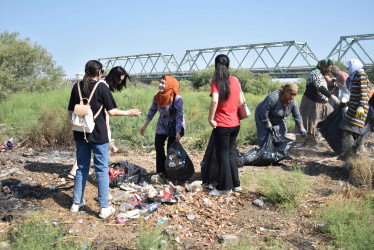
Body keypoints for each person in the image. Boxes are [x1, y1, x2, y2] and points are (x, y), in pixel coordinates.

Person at [68, 60, 141, 219]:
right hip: (98, 133)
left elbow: (70, 112)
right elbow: (112, 111)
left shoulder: (77, 87)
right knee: (101, 168)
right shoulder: (102, 87)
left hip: (81, 133)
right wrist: (128, 112)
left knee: (81, 167)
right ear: (99, 72)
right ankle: (103, 207)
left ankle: (75, 203)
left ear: (86, 71)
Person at [68, 66, 130, 180]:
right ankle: (75, 172)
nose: (120, 82)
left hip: (86, 122)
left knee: (84, 149)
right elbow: (107, 112)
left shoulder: (98, 84)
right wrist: (107, 130)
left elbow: (70, 111)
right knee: (97, 159)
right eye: (119, 80)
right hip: (95, 124)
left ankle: (74, 172)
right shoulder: (102, 85)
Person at [207, 54, 243, 196]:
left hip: (222, 124)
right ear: (228, 66)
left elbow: (214, 100)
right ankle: (236, 185)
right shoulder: (235, 80)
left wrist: (211, 118)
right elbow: (240, 101)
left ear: (216, 66)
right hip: (235, 124)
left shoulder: (216, 82)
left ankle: (224, 187)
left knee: (222, 155)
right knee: (231, 153)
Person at [140, 75, 185, 177]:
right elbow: (152, 111)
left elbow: (179, 115)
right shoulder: (157, 97)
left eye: (163, 83)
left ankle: (171, 172)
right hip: (162, 124)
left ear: (169, 85)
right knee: (158, 145)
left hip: (175, 125)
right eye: (160, 83)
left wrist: (178, 131)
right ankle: (161, 171)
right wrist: (145, 126)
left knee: (171, 149)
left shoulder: (177, 98)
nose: (160, 85)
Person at [299, 59, 340, 144]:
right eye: (328, 67)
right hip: (313, 101)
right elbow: (320, 87)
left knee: (331, 116)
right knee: (314, 121)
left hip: (323, 101)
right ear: (322, 66)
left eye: (330, 68)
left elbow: (325, 84)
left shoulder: (321, 73)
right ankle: (310, 141)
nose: (329, 70)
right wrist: (331, 96)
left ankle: (329, 136)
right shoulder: (315, 73)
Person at [339, 59, 370, 158]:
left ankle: (355, 155)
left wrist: (361, 106)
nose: (348, 70)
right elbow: (355, 94)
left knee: (350, 130)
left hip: (359, 110)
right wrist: (348, 103)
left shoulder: (361, 75)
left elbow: (363, 92)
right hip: (353, 108)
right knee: (349, 130)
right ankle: (354, 153)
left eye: (349, 68)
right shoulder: (356, 76)